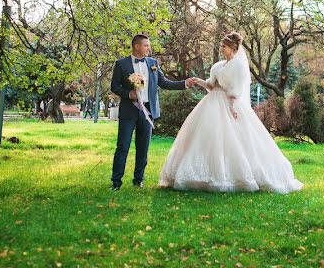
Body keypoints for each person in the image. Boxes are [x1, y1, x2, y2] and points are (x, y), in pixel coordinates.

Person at [159, 31, 302, 194]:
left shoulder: (239, 65)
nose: (221, 48)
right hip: (211, 103)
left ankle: (234, 175)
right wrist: (197, 81)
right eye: (221, 45)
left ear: (233, 48)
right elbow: (211, 85)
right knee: (207, 139)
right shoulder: (218, 65)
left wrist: (233, 106)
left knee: (232, 140)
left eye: (224, 46)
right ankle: (205, 174)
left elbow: (237, 89)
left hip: (228, 104)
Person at [109, 34, 202, 190]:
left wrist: (184, 83)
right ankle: (116, 182)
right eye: (146, 45)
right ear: (136, 46)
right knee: (123, 146)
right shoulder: (121, 64)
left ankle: (139, 180)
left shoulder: (153, 63)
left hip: (148, 111)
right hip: (129, 111)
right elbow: (114, 86)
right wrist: (128, 93)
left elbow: (164, 83)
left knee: (143, 147)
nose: (149, 48)